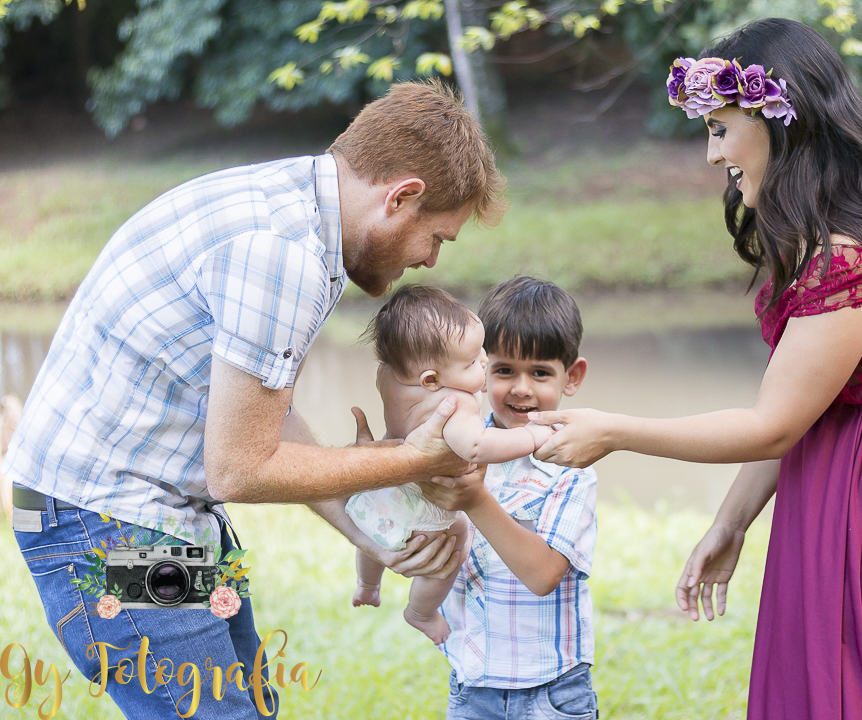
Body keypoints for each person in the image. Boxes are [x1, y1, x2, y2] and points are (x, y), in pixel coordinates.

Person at [528, 18, 862, 720]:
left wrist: (615, 429)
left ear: (784, 122)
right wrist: (732, 522)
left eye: (720, 129)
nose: (713, 155)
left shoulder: (855, 254)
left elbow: (773, 424)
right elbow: (805, 406)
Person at [4, 80, 505, 719]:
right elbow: (240, 468)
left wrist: (367, 529)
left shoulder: (301, 219)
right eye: (437, 237)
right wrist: (420, 460)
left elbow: (257, 415)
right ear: (401, 196)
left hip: (148, 517)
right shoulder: (283, 257)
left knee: (247, 707)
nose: (431, 260)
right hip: (102, 529)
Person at [419, 276, 598, 720]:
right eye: (503, 371)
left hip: (551, 691)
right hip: (472, 682)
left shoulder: (571, 466)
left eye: (539, 372)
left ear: (571, 376)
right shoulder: (459, 446)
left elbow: (543, 576)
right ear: (479, 371)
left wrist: (476, 500)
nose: (521, 388)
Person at [344, 284, 554, 643]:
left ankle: (367, 584)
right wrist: (533, 437)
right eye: (472, 362)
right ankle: (421, 612)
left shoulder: (390, 376)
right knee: (459, 536)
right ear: (432, 379)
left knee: (369, 533)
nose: (485, 362)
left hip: (386, 483)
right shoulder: (456, 403)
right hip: (424, 500)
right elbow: (475, 445)